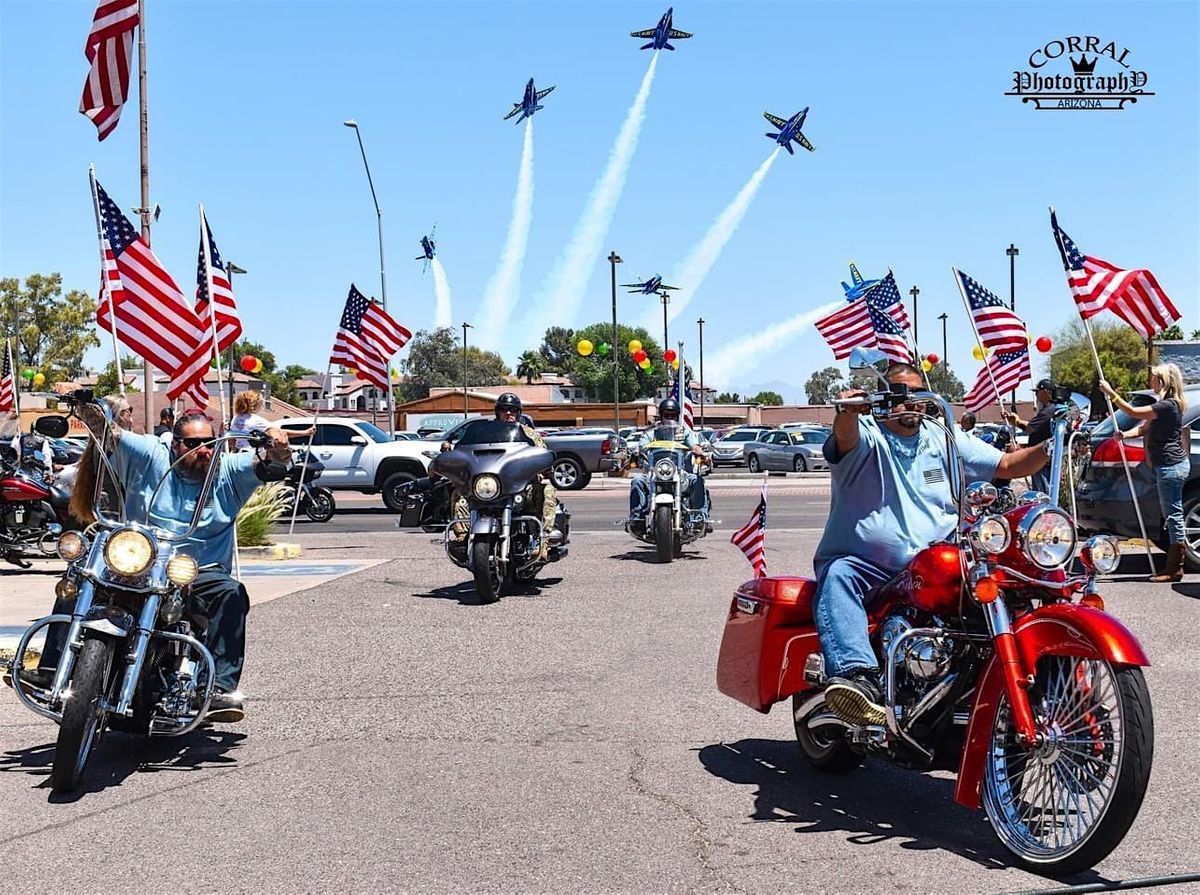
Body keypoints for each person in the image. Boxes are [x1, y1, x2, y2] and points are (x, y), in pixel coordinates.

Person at [817, 362, 1052, 726]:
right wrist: (848, 410)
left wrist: (1050, 447)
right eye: (898, 393)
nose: (908, 402)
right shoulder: (866, 431)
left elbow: (1006, 464)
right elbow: (843, 440)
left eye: (916, 394)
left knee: (1001, 582)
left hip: (938, 558)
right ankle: (856, 678)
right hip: (869, 563)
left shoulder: (941, 435)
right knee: (838, 575)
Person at [36, 403, 291, 723]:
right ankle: (50, 668)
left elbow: (271, 462)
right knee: (80, 575)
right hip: (139, 560)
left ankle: (218, 689)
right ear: (175, 443)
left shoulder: (227, 469)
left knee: (231, 592)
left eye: (209, 444)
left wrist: (278, 446)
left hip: (197, 571)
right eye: (193, 444)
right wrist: (90, 413)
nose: (203, 451)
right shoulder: (151, 453)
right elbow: (109, 435)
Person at [1101, 364, 1191, 583]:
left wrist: (1112, 394)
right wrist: (1125, 434)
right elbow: (1142, 428)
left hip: (1171, 465)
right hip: (1169, 465)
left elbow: (1132, 412)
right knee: (1171, 514)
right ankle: (1173, 565)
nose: (1151, 382)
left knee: (1173, 515)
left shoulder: (1168, 406)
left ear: (1164, 381)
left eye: (1155, 378)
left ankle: (1174, 568)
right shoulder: (1164, 406)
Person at [445, 393, 560, 560]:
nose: (508, 413)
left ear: (518, 413)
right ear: (497, 412)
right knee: (459, 493)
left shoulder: (529, 434)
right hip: (491, 487)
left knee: (547, 491)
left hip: (522, 489)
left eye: (513, 410)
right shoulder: (484, 434)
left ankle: (544, 541)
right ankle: (463, 537)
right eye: (504, 409)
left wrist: (544, 465)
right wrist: (452, 454)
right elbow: (466, 451)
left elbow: (543, 454)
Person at [628, 398, 711, 523]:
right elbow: (642, 447)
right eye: (667, 415)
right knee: (637, 481)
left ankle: (700, 517)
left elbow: (694, 445)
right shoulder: (652, 432)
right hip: (655, 472)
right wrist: (637, 453)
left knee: (696, 480)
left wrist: (701, 453)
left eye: (673, 415)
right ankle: (636, 518)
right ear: (661, 416)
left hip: (679, 472)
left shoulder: (683, 432)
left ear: (677, 416)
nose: (670, 418)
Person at [67, 394, 132, 526]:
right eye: (129, 412)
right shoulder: (115, 445)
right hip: (115, 512)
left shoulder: (101, 443)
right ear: (121, 415)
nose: (131, 418)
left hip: (107, 509)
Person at [1003, 378, 1059, 493]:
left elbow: (1030, 428)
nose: (1036, 395)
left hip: (1042, 459)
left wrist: (1017, 421)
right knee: (1040, 490)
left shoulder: (1049, 410)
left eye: (1037, 392)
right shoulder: (1048, 410)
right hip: (1041, 458)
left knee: (1043, 492)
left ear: (1047, 392)